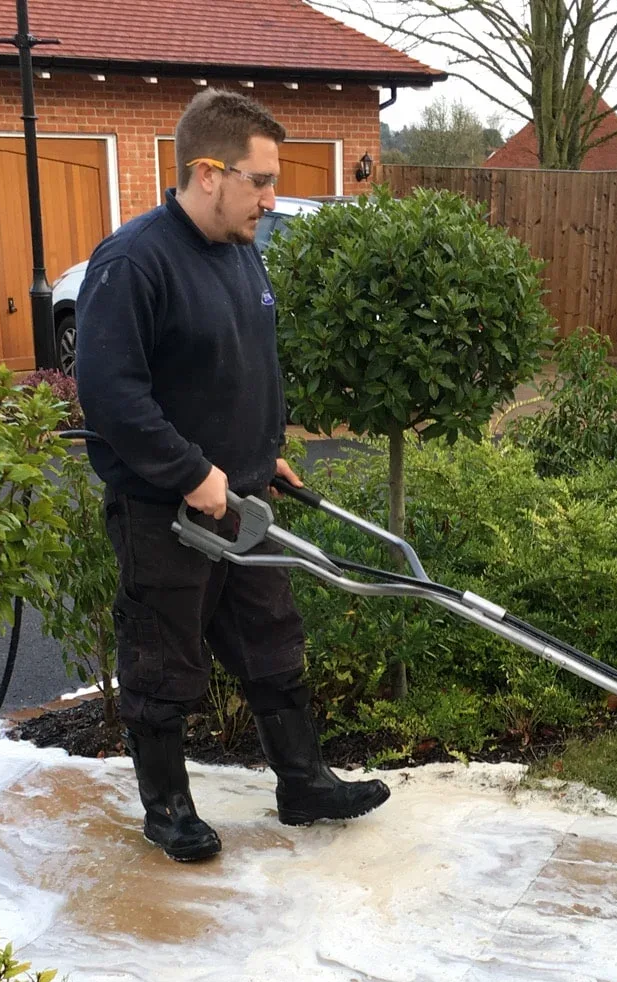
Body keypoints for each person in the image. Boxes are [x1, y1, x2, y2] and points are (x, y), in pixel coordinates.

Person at [75, 89, 389, 862]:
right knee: (163, 660)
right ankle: (169, 810)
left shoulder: (240, 249)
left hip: (241, 497)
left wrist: (260, 451)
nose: (272, 197)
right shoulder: (135, 261)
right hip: (167, 512)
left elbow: (243, 367)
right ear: (209, 173)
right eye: (262, 180)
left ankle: (304, 784)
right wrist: (191, 472)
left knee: (271, 643)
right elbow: (111, 393)